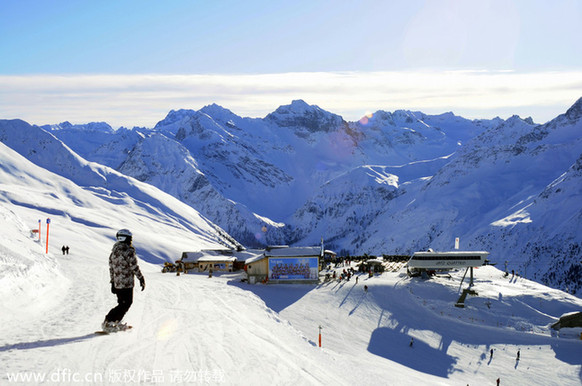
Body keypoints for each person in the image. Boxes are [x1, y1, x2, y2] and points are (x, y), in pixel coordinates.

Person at [102, 229, 145, 332]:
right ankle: (109, 320)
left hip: (117, 283)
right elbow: (134, 266)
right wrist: (141, 278)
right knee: (126, 303)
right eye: (130, 239)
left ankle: (116, 321)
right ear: (126, 238)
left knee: (121, 303)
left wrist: (112, 282)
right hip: (126, 283)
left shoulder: (114, 251)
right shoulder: (128, 251)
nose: (131, 241)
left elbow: (111, 268)